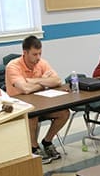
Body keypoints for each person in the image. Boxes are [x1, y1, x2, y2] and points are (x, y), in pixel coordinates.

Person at [5, 35, 69, 164]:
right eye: (34, 54)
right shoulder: (13, 66)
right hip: (20, 107)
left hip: (41, 103)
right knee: (32, 116)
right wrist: (45, 82)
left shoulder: (42, 63)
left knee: (64, 113)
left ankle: (47, 141)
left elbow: (57, 80)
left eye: (40, 53)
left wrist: (35, 80)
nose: (38, 57)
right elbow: (25, 89)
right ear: (25, 53)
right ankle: (34, 147)